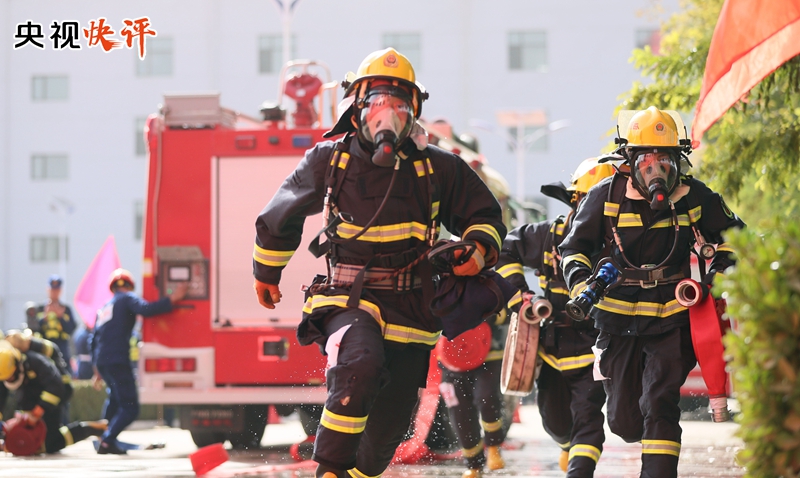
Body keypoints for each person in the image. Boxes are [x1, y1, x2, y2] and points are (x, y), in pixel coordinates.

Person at [252, 48, 506, 478]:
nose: (387, 115)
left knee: (385, 434)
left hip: (413, 311)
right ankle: (330, 469)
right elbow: (281, 214)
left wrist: (478, 249)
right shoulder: (329, 160)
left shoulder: (439, 168)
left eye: (399, 105)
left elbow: (484, 215)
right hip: (349, 298)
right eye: (377, 102)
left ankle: (357, 471)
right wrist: (266, 271)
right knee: (359, 364)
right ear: (356, 107)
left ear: (414, 112)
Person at [558, 107, 745, 478]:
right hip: (617, 319)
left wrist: (714, 277)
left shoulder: (694, 197)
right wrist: (582, 285)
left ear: (678, 162)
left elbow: (734, 240)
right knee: (624, 422)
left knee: (660, 402)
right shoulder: (605, 196)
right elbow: (572, 249)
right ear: (630, 161)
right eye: (646, 161)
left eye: (665, 161)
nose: (656, 171)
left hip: (671, 317)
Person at [496, 157, 616, 477]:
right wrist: (524, 298)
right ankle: (568, 448)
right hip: (552, 350)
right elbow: (506, 251)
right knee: (555, 423)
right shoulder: (549, 235)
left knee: (588, 420)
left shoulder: (618, 243)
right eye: (589, 202)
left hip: (593, 350)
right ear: (575, 201)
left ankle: (579, 469)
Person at [90, 268, 187, 454]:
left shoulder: (104, 307)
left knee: (114, 400)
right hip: (118, 359)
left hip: (103, 361)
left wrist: (96, 368)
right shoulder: (127, 298)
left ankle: (102, 438)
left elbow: (93, 339)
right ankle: (107, 441)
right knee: (130, 408)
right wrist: (173, 299)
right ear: (129, 286)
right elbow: (146, 309)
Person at [0, 339, 105, 454]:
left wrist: (39, 410)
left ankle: (92, 429)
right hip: (35, 396)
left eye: (11, 377)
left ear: (17, 364)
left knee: (51, 443)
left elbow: (55, 387)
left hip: (56, 395)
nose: (9, 380)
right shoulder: (4, 371)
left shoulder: (36, 362)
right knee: (39, 443)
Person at [438, 314, 509, 478]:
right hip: (451, 357)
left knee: (486, 398)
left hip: (488, 353)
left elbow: (508, 311)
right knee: (460, 413)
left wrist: (482, 315)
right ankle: (473, 464)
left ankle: (493, 447)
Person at [37, 275, 77, 375]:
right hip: (45, 346)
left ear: (60, 291)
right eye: (52, 290)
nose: (54, 292)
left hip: (62, 347)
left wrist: (60, 316)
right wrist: (44, 318)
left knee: (65, 373)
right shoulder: (40, 309)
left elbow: (71, 329)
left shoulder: (66, 309)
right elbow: (35, 329)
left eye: (57, 290)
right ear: (48, 289)